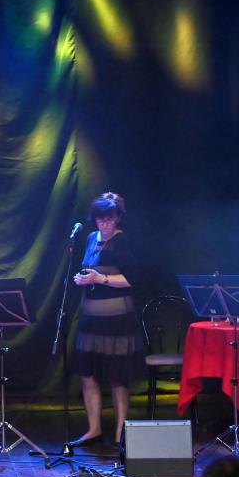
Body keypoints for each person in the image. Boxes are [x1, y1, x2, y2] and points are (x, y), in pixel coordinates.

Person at [68, 192, 143, 447]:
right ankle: (94, 429)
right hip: (91, 319)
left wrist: (100, 279)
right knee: (88, 375)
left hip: (117, 320)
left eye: (110, 219)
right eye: (101, 219)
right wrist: (83, 279)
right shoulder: (91, 238)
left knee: (117, 376)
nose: (106, 224)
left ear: (118, 218)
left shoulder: (121, 241)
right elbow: (89, 269)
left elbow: (132, 279)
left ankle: (121, 433)